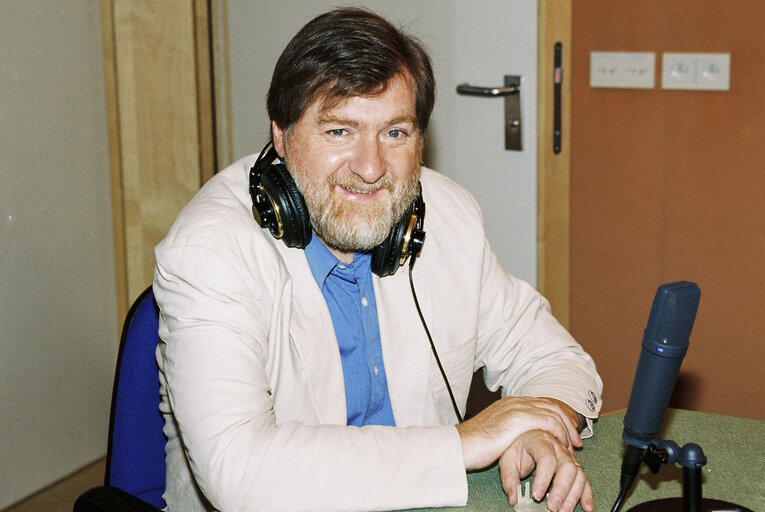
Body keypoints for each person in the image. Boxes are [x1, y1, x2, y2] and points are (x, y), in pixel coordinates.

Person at [153, 7, 602, 512]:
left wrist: (536, 428)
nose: (370, 169)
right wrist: (467, 442)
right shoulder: (209, 251)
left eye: (395, 133)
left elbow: (554, 359)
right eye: (339, 131)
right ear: (281, 137)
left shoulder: (447, 215)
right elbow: (241, 471)